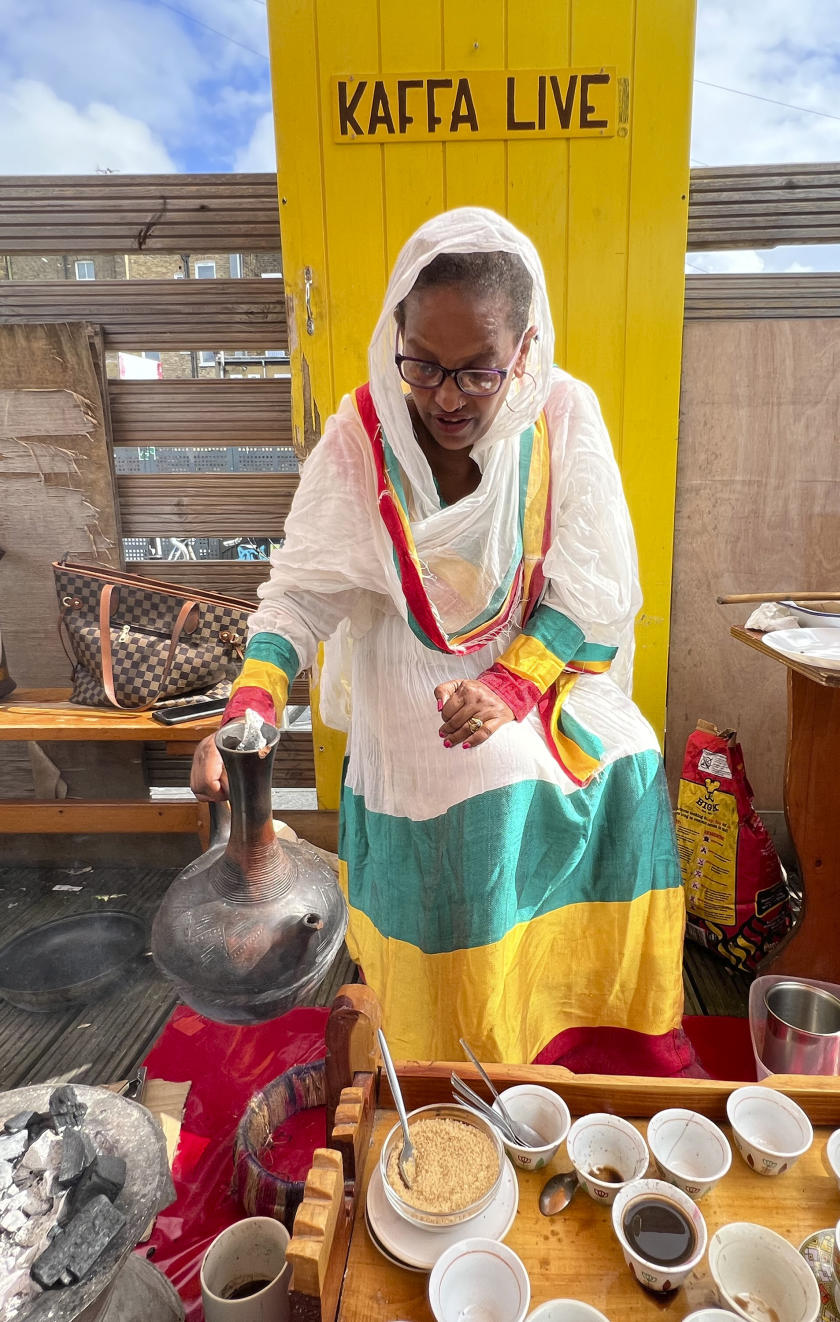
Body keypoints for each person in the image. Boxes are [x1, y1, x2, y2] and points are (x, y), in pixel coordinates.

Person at [191, 207, 695, 1072]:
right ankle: (456, 1049)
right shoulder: (360, 434)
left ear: (525, 350)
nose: (448, 397)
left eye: (478, 372)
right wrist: (250, 707)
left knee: (636, 753)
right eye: (423, 364)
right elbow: (298, 599)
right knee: (479, 777)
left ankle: (584, 1029)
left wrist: (511, 687)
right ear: (396, 335)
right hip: (410, 680)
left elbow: (594, 587)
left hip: (541, 667)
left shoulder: (566, 414)